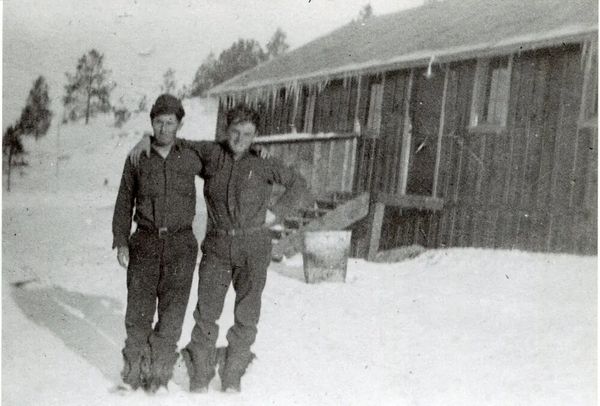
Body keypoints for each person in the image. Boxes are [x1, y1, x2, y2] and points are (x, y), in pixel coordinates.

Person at [130, 102, 312, 393]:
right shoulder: (211, 153)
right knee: (206, 314)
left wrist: (276, 213)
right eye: (236, 132)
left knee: (247, 314)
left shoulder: (263, 161)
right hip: (217, 247)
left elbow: (299, 184)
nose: (240, 139)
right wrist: (146, 139)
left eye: (248, 134)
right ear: (226, 130)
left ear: (255, 136)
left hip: (253, 247)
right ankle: (200, 374)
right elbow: (175, 141)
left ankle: (233, 373)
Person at [112, 94, 203, 393]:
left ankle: (159, 378)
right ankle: (132, 376)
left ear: (180, 124)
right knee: (138, 314)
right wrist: (121, 240)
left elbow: (226, 154)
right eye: (159, 122)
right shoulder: (137, 157)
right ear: (151, 123)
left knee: (172, 316)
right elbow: (124, 200)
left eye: (170, 123)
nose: (164, 128)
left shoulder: (191, 155)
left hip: (181, 245)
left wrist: (256, 150)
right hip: (146, 243)